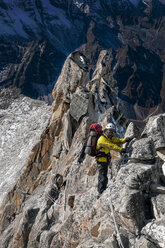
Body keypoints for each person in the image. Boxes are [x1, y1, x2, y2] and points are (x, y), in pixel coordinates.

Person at [96, 123, 133, 198]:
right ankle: (100, 192)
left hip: (105, 159)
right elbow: (111, 146)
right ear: (106, 130)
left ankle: (102, 190)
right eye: (109, 131)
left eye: (112, 131)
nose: (111, 133)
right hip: (101, 160)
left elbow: (118, 141)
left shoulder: (108, 137)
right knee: (102, 176)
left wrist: (126, 140)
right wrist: (121, 150)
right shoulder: (102, 140)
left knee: (104, 176)